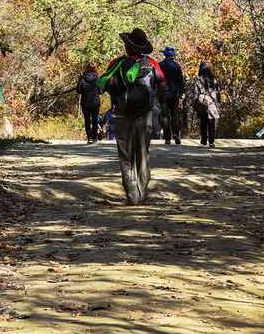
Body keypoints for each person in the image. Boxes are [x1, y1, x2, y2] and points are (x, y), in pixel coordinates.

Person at [99, 27, 166, 205]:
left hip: (122, 113)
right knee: (143, 153)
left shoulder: (117, 62)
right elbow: (163, 84)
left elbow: (108, 83)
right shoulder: (152, 63)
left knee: (125, 155)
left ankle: (132, 195)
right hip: (145, 113)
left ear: (128, 46)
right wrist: (151, 99)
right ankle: (142, 192)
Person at [158, 46, 185, 145]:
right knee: (174, 114)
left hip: (162, 93)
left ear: (165, 54)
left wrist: (157, 92)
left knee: (165, 115)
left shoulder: (159, 65)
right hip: (174, 93)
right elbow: (180, 81)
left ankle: (167, 138)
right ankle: (176, 133)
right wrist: (181, 93)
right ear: (173, 55)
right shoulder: (176, 66)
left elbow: (157, 79)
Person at [193, 61, 221, 148]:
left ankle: (204, 139)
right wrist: (219, 101)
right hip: (212, 102)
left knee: (203, 121)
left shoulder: (198, 79)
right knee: (211, 122)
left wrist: (194, 103)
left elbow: (195, 92)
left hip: (202, 102)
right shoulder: (213, 79)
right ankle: (211, 141)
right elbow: (218, 91)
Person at [76, 62, 101, 144]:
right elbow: (101, 91)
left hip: (85, 102)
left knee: (87, 120)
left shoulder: (82, 78)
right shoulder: (98, 78)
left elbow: (78, 90)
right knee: (94, 120)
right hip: (95, 102)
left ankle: (89, 137)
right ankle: (94, 138)